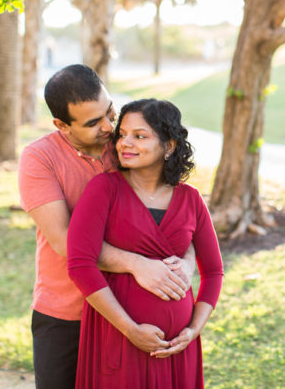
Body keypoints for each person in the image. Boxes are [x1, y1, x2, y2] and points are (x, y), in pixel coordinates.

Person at [18, 64, 196, 389]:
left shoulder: (127, 148)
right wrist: (137, 264)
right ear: (62, 125)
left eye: (109, 111)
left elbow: (179, 213)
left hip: (131, 311)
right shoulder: (39, 159)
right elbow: (63, 241)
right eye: (92, 122)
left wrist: (186, 263)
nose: (108, 126)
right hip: (67, 314)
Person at [67, 98, 224, 389]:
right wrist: (130, 329)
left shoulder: (190, 199)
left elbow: (214, 272)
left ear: (169, 146)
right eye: (122, 134)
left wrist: (193, 330)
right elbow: (79, 264)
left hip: (178, 350)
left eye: (140, 136)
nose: (125, 143)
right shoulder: (104, 190)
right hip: (119, 340)